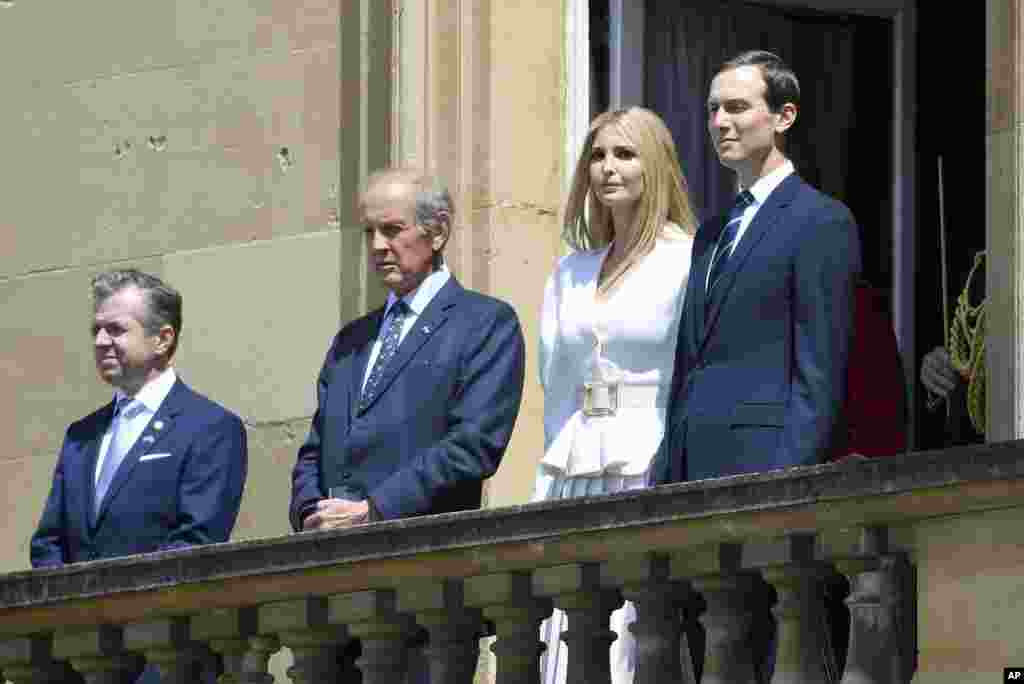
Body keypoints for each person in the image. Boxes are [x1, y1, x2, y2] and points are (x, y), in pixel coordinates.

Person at [289, 168, 526, 682]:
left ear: (437, 231)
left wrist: (374, 509)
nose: (377, 246)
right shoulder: (352, 339)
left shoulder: (483, 324)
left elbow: (474, 446)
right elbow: (315, 447)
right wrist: (311, 513)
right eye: (368, 232)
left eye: (392, 230)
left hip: (425, 585)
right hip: (335, 587)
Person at [533, 107, 698, 684]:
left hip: (647, 458)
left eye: (625, 154)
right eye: (598, 155)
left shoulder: (686, 261)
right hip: (574, 461)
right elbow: (554, 382)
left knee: (635, 635)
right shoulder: (569, 272)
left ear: (655, 166)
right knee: (571, 629)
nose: (608, 168)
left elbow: (691, 370)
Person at [650, 49, 861, 486]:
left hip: (762, 474)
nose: (719, 121)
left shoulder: (820, 220)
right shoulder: (711, 233)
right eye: (713, 109)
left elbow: (817, 377)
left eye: (737, 107)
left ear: (783, 117)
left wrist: (783, 481)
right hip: (689, 478)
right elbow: (690, 367)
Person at [31, 269, 248, 567]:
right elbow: (49, 543)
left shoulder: (210, 428)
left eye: (116, 329)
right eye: (97, 330)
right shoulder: (81, 435)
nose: (100, 342)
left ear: (162, 339)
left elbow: (197, 541)